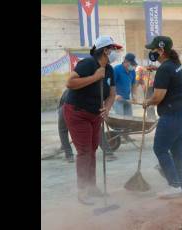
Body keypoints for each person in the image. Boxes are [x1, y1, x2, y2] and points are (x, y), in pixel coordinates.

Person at [63, 35, 120, 205]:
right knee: (84, 151)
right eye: (114, 49)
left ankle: (92, 186)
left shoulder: (109, 69)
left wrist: (107, 107)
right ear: (105, 50)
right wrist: (95, 77)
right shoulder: (87, 64)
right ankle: (82, 191)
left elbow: (112, 93)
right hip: (77, 112)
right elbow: (70, 83)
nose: (116, 52)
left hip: (95, 114)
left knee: (93, 149)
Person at [143, 36, 182, 198]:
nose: (151, 52)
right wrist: (159, 71)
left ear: (161, 50)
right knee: (177, 150)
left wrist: (147, 102)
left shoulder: (165, 69)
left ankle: (174, 185)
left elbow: (158, 97)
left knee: (160, 148)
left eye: (154, 49)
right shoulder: (176, 65)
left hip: (172, 115)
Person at [57, 89, 74, 163]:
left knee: (63, 131)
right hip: (81, 109)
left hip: (64, 109)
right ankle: (108, 153)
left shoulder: (68, 89)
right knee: (95, 129)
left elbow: (60, 106)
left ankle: (69, 155)